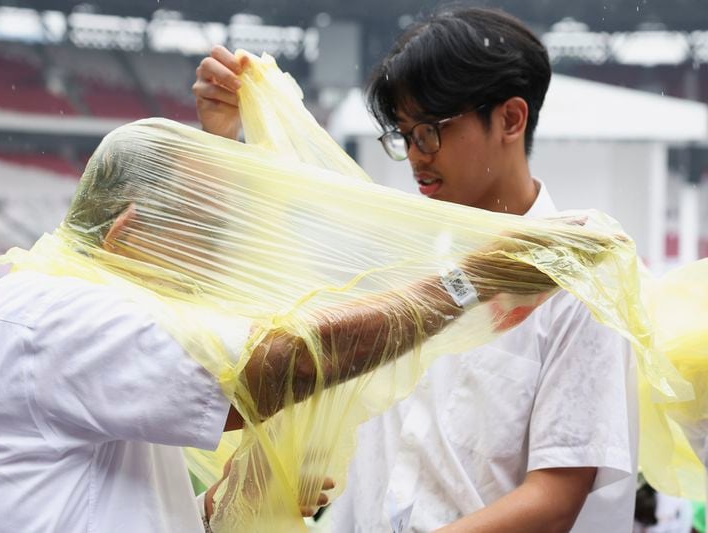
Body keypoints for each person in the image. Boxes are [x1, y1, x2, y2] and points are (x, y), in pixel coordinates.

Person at [0, 114, 572, 532]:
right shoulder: (52, 314)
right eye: (201, 250)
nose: (209, 280)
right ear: (128, 234)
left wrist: (233, 503)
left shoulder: (68, 314)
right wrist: (469, 281)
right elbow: (271, 366)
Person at [193, 6, 638, 532]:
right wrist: (223, 141)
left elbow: (554, 497)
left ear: (511, 119)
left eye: (428, 131)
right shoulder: (404, 257)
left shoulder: (575, 279)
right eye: (402, 135)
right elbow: (253, 278)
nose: (413, 156)